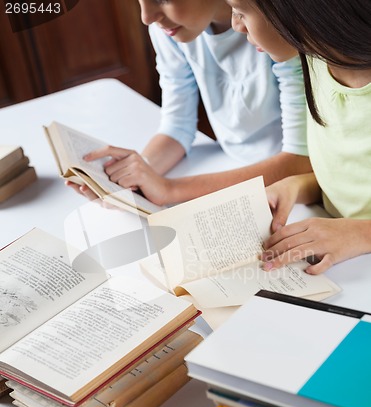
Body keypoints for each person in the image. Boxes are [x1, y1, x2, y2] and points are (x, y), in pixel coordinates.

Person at [69, 0, 311, 206]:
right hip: (235, 167)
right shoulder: (169, 29)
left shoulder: (273, 31)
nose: (146, 17)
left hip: (297, 191)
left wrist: (169, 189)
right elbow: (177, 126)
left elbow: (300, 161)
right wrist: (136, 176)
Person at [226, 0, 371, 275]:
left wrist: (362, 233)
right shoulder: (316, 61)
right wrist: (298, 185)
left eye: (240, 11)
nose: (235, 24)